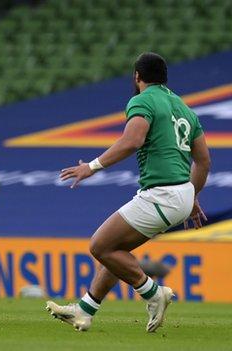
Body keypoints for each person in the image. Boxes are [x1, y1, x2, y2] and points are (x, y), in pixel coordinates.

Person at [46, 52, 211, 332]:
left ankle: (153, 294)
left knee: (100, 246)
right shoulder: (184, 108)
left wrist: (92, 166)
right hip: (181, 193)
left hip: (162, 193)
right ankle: (85, 311)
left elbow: (132, 140)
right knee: (116, 250)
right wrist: (192, 197)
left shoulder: (143, 100)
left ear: (137, 76)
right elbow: (204, 161)